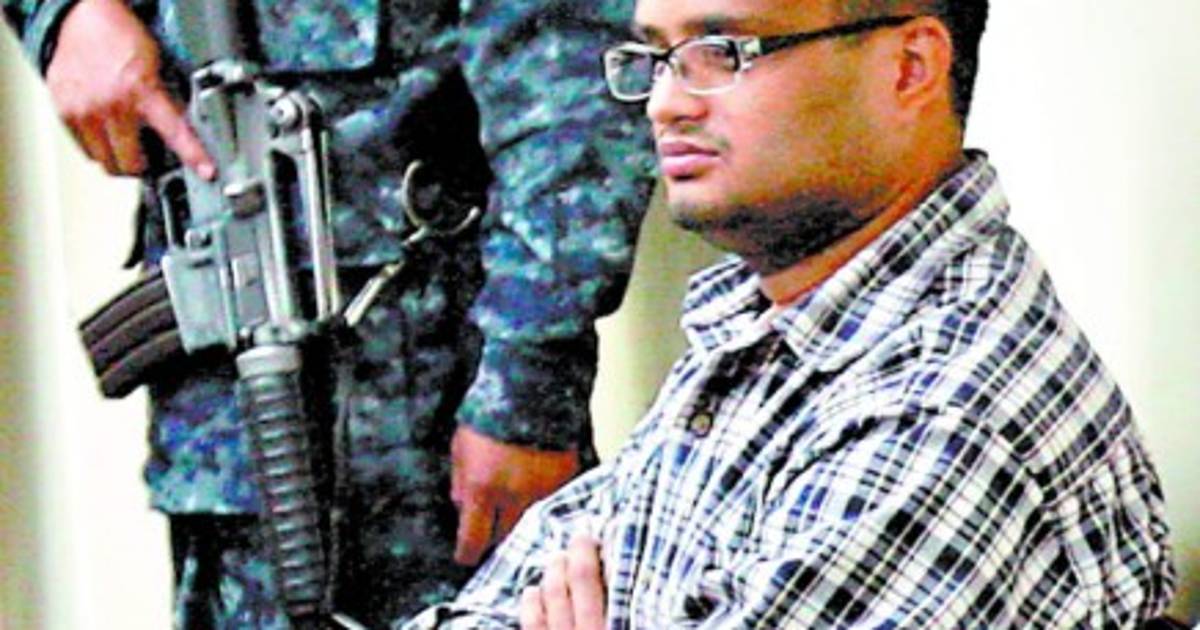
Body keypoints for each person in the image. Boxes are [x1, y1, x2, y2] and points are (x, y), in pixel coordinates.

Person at [401, 0, 1178, 627]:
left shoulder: (940, 414)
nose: (666, 104)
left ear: (909, 68)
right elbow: (504, 596)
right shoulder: (774, 317)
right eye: (657, 57)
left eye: (723, 51)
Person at [3, 0, 654, 626]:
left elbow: (573, 111)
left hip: (429, 447)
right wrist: (63, 15)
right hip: (228, 444)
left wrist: (526, 395)